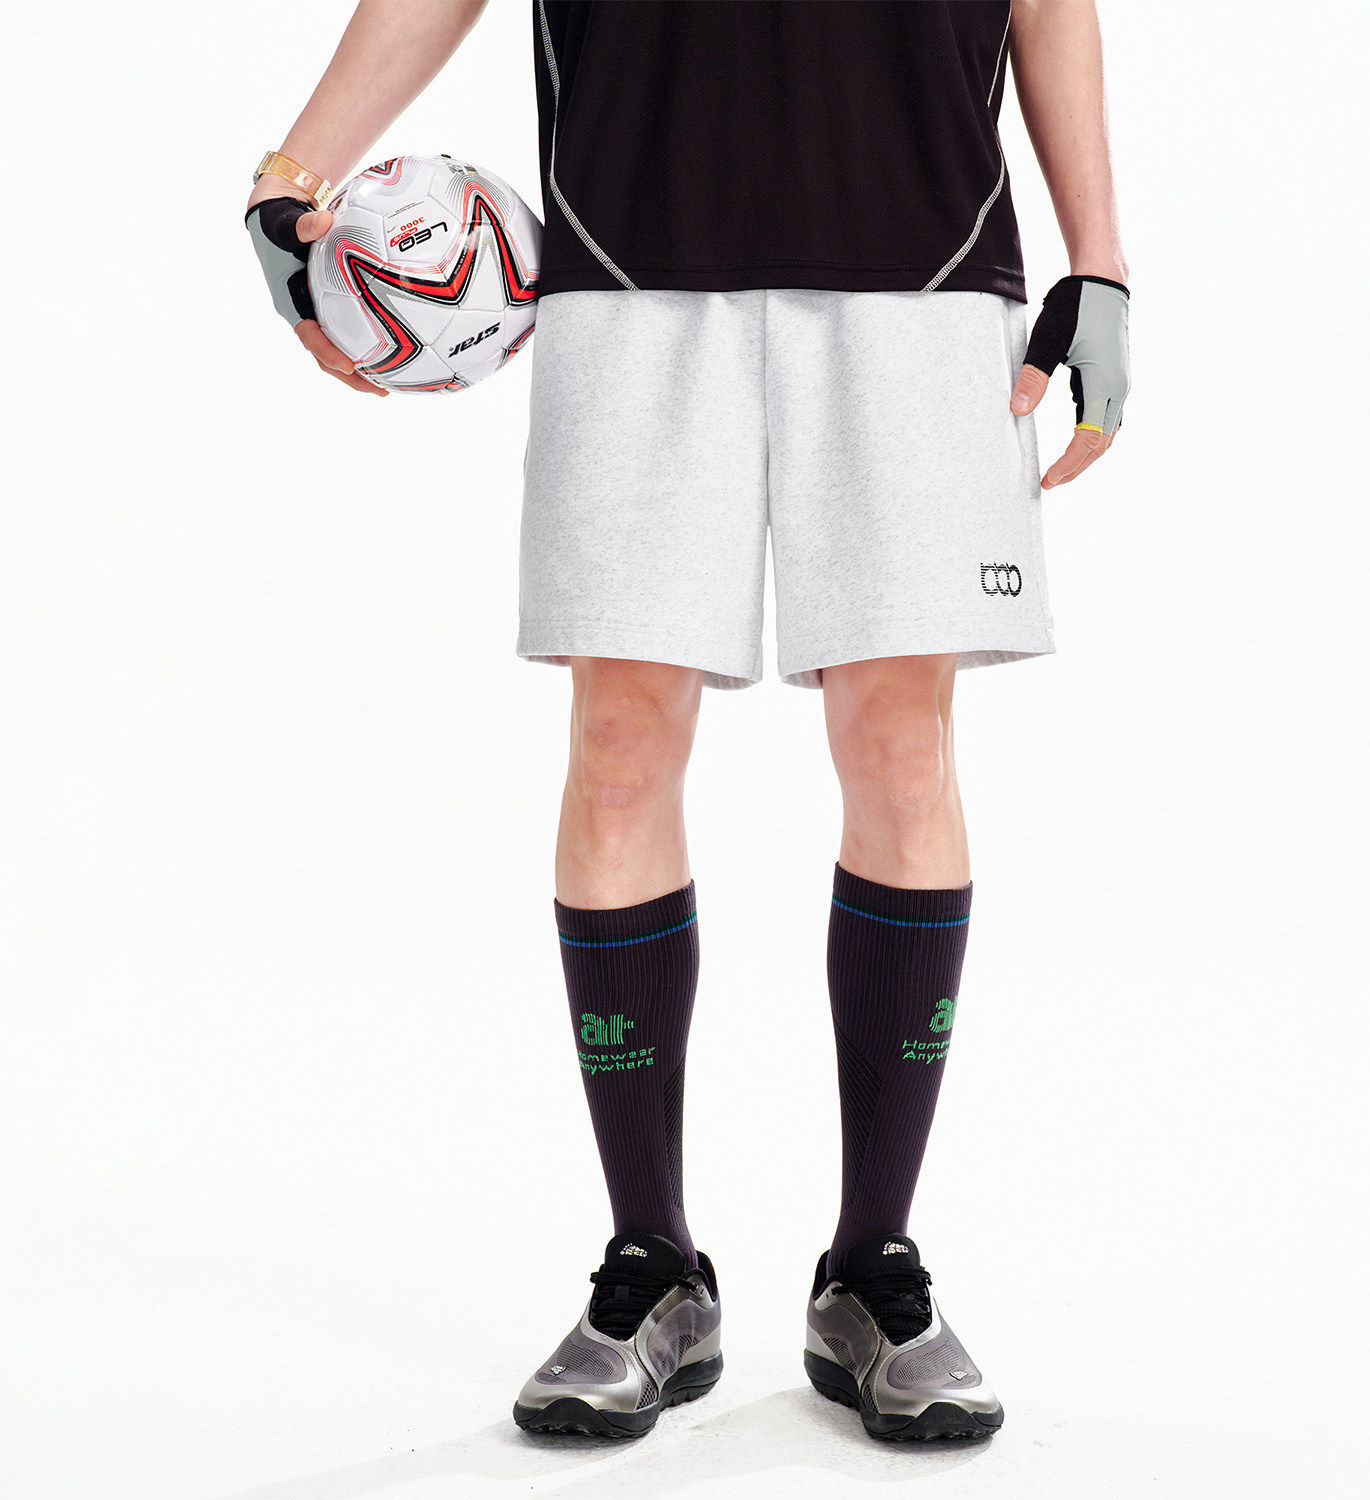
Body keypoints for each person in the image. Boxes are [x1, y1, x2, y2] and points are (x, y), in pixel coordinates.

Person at [247, 0, 1130, 1445]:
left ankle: (873, 1268)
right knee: (617, 749)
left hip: (924, 255)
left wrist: (1100, 255)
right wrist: (293, 175)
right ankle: (653, 1267)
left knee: (902, 749)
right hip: (630, 253)